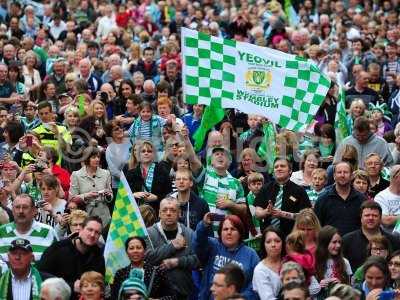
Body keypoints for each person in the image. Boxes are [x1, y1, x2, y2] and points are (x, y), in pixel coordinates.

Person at [193, 213, 259, 299]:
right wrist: (203, 225)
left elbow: (256, 284)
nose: (229, 232)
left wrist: (243, 297)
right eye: (225, 229)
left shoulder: (251, 255)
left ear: (240, 233)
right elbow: (198, 242)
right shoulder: (213, 245)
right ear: (220, 232)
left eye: (233, 229)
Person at [145, 197, 198, 298]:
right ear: (159, 213)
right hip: (156, 294)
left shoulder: (190, 234)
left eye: (173, 210)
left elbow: (197, 260)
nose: (168, 213)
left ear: (180, 213)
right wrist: (172, 246)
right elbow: (147, 258)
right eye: (164, 210)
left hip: (183, 292)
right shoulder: (148, 233)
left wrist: (177, 262)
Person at [37, 216, 105, 294]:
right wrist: (70, 286)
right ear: (81, 229)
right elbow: (40, 275)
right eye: (90, 230)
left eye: (97, 232)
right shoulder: (58, 249)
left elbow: (100, 283)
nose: (92, 235)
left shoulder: (98, 256)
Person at [255, 157, 311, 237]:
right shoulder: (265, 188)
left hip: (291, 236)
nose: (279, 168)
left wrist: (283, 214)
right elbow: (257, 213)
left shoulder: (299, 190)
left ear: (290, 171)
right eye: (276, 167)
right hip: (268, 236)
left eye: (282, 166)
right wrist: (266, 211)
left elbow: (307, 216)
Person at [110, 236, 176, 299]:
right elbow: (114, 296)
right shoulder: (120, 273)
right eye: (131, 248)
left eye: (138, 248)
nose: (135, 251)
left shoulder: (157, 272)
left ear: (144, 251)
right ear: (127, 252)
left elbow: (173, 296)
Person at [343, 201, 400, 271]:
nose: (371, 218)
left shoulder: (394, 240)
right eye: (367, 215)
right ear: (361, 218)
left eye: (375, 215)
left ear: (380, 218)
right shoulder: (347, 240)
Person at [0, 194, 58, 262]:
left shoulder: (48, 232)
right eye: (17, 207)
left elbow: (58, 260)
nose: (21, 211)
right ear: (12, 210)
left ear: (34, 211)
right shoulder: (1, 232)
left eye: (25, 207)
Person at [315, 161, 366, 236]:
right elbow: (317, 226)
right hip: (329, 244)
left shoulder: (362, 199)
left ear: (351, 176)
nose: (342, 175)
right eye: (339, 172)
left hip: (355, 245)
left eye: (345, 172)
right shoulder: (323, 199)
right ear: (334, 176)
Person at [124, 140, 172, 214]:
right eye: (143, 151)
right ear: (139, 154)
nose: (146, 153)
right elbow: (123, 194)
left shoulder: (162, 171)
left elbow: (169, 194)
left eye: (149, 151)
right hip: (136, 213)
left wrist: (156, 198)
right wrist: (133, 195)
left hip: (157, 211)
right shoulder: (131, 173)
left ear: (153, 154)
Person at [69, 147, 112, 228]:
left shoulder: (106, 173)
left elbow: (110, 195)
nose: (97, 159)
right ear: (86, 158)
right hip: (85, 215)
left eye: (98, 157)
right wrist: (86, 196)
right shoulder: (76, 175)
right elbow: (72, 198)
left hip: (104, 216)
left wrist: (108, 195)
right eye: (93, 157)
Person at [315, 226, 352, 298]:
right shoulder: (314, 262)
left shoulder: (345, 262)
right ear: (324, 243)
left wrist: (341, 285)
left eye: (339, 242)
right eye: (334, 242)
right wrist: (318, 286)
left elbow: (350, 288)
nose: (338, 245)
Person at [252, 227, 285, 300]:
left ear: (283, 243)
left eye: (277, 241)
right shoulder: (260, 270)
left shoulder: (290, 261)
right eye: (268, 242)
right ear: (263, 245)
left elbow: (315, 288)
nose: (273, 245)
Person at [375, 165, 400, 232]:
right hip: (390, 239)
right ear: (395, 177)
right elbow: (386, 221)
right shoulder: (381, 196)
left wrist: (393, 217)